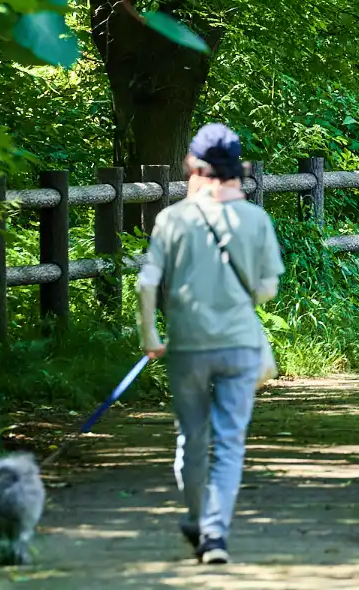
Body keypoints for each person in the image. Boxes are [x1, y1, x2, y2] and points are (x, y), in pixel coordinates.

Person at [137, 124, 284, 565]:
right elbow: (268, 290)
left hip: (186, 345)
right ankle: (214, 535)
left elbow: (148, 283)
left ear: (193, 166)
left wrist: (150, 336)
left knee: (192, 438)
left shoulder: (172, 218)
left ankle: (199, 519)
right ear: (238, 168)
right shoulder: (256, 219)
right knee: (231, 441)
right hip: (239, 345)